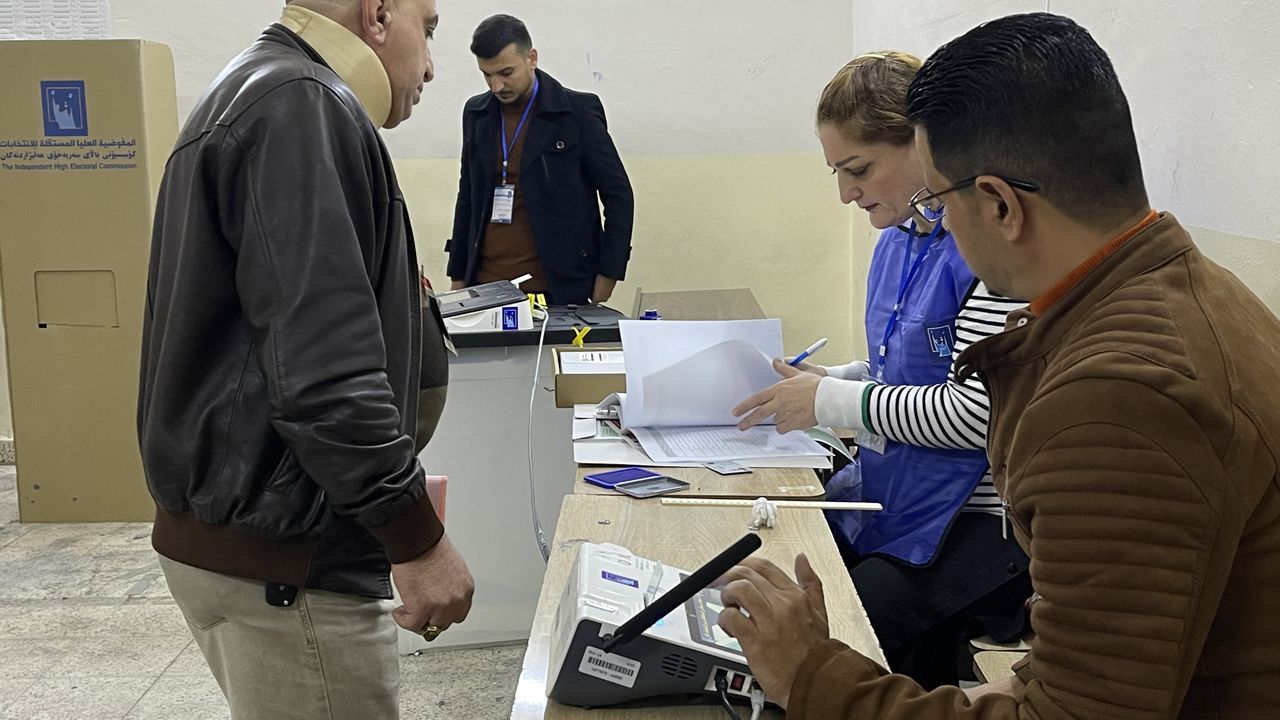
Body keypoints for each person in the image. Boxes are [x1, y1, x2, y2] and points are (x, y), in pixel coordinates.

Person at [718, 12, 1280, 718]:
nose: (937, 227)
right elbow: (1123, 633)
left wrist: (811, 676)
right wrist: (1019, 683)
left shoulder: (1115, 398)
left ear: (999, 204)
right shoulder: (1203, 294)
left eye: (937, 202)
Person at [137, 1, 474, 717]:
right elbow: (325, 375)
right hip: (289, 559)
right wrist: (416, 538)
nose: (430, 67)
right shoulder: (301, 104)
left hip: (254, 543)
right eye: (428, 31)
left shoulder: (262, 87)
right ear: (378, 13)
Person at [733, 52, 1030, 687]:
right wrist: (833, 380)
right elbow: (906, 367)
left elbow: (977, 414)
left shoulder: (984, 245)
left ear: (923, 145)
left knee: (839, 624)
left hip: (983, 525)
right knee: (782, 571)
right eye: (837, 172)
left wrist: (829, 401)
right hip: (901, 497)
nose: (846, 193)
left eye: (859, 169)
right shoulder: (900, 237)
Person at [445, 14, 634, 305]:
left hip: (558, 288)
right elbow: (467, 195)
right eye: (487, 75)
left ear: (531, 58)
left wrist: (609, 274)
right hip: (485, 285)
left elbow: (618, 194)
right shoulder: (477, 113)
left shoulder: (576, 113)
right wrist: (458, 274)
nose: (497, 86)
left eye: (506, 72)